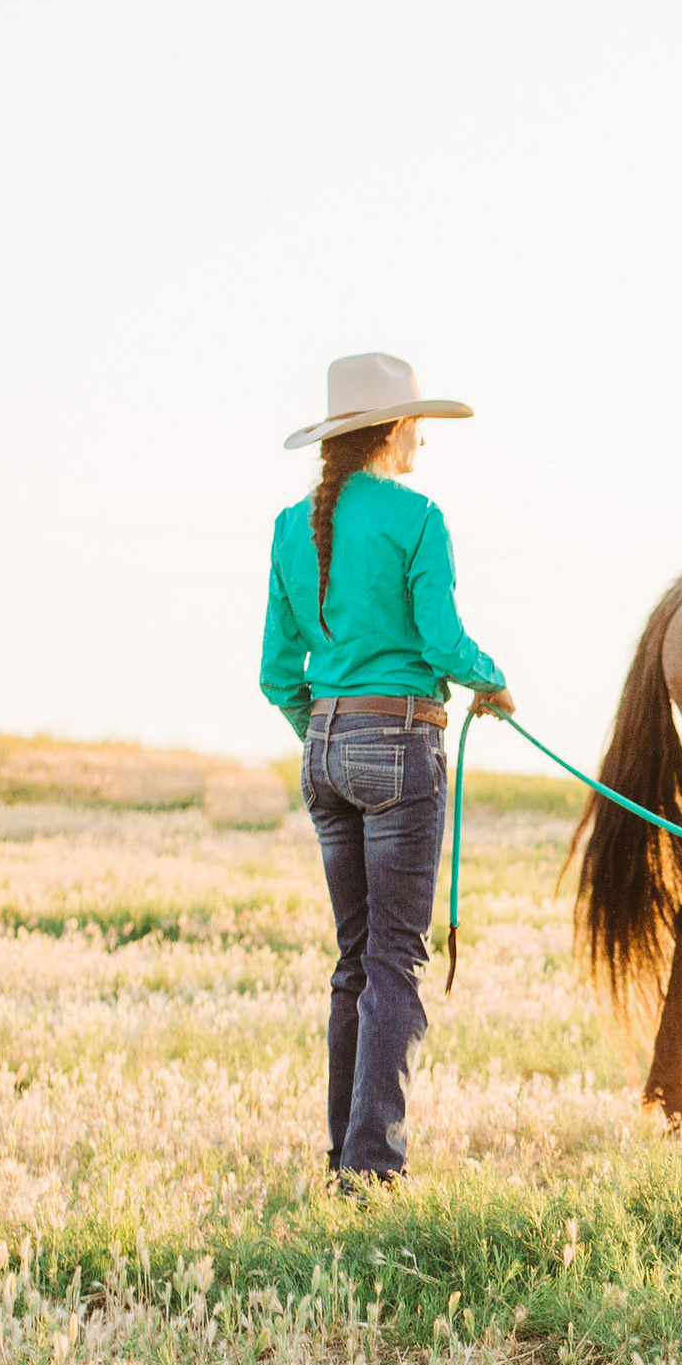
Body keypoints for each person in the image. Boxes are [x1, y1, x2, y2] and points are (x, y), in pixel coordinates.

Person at [260, 353, 514, 1187]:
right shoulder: (419, 517)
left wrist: (324, 731)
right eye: (419, 427)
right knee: (396, 960)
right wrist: (493, 680)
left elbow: (276, 671)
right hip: (399, 745)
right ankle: (371, 1171)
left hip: (326, 752)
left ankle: (345, 1156)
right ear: (395, 430)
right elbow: (441, 642)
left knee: (355, 960)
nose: (425, 443)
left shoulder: (289, 525)